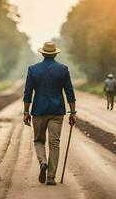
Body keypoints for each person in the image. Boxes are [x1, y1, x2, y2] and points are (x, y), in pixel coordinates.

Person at [23, 41, 77, 186]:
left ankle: (43, 162)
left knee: (39, 140)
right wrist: (72, 111)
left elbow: (27, 93)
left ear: (42, 53)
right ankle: (51, 177)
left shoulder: (33, 70)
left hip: (39, 111)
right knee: (55, 143)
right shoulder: (63, 69)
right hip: (56, 111)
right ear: (55, 54)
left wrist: (26, 112)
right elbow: (69, 92)